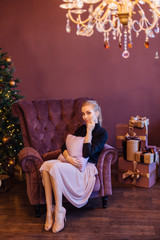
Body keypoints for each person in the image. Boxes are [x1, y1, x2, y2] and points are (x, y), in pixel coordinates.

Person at [39, 100, 108, 233]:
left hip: (85, 168)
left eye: (88, 113)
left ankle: (59, 211)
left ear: (97, 113)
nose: (85, 117)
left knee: (54, 168)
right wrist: (69, 158)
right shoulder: (81, 128)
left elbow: (87, 153)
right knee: (46, 165)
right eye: (83, 114)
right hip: (71, 163)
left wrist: (89, 132)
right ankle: (50, 211)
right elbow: (65, 146)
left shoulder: (102, 133)